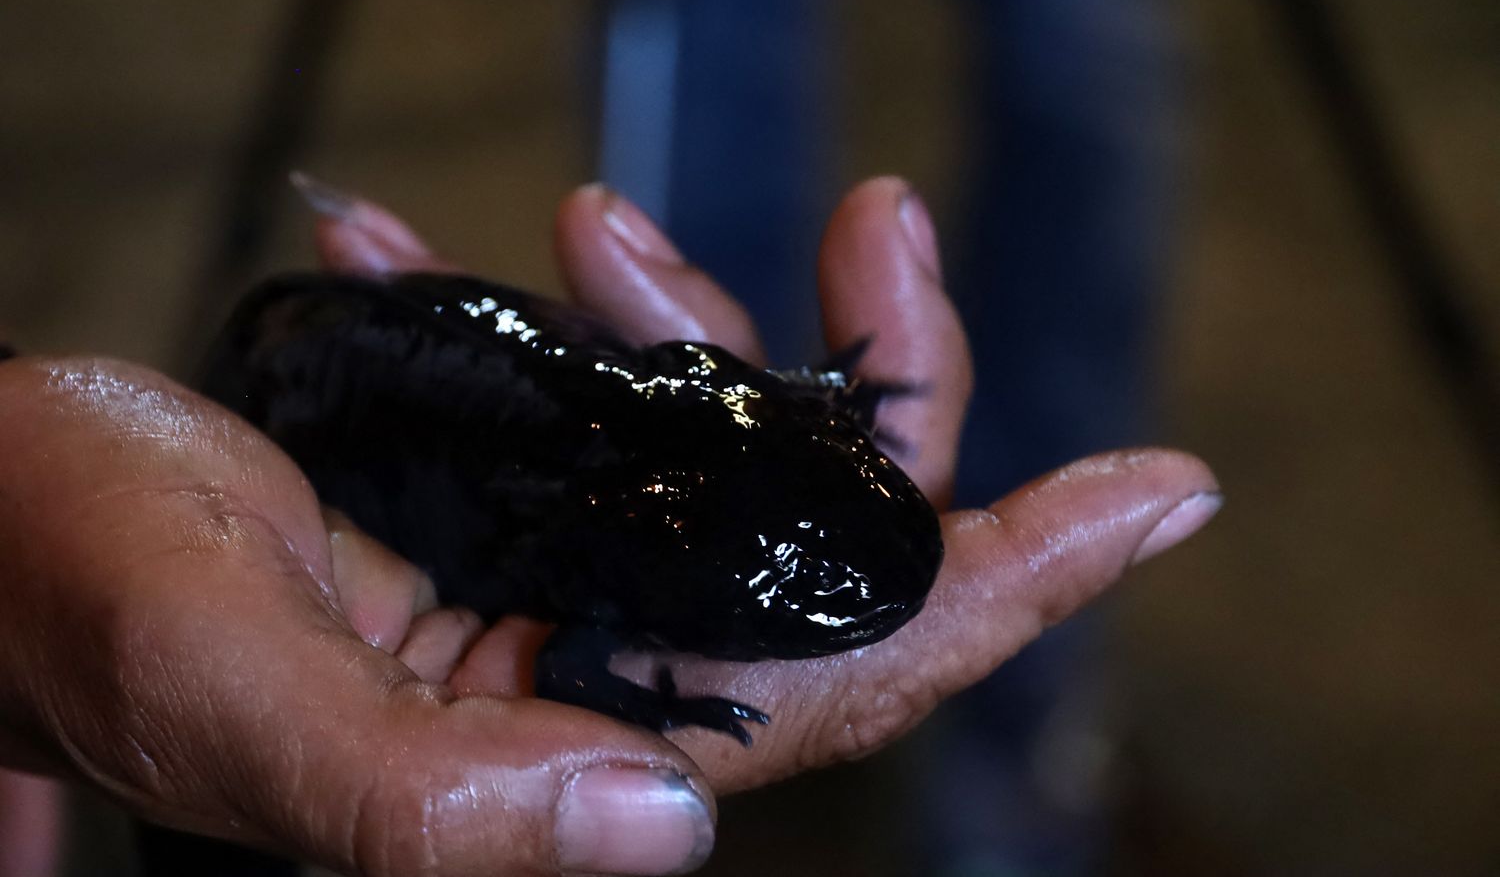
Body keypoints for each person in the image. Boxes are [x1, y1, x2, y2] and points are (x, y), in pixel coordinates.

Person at [0, 179, 1218, 876]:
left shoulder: (702, 441)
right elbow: (574, 661)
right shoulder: (611, 544)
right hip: (297, 382)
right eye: (792, 577)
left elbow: (740, 399)